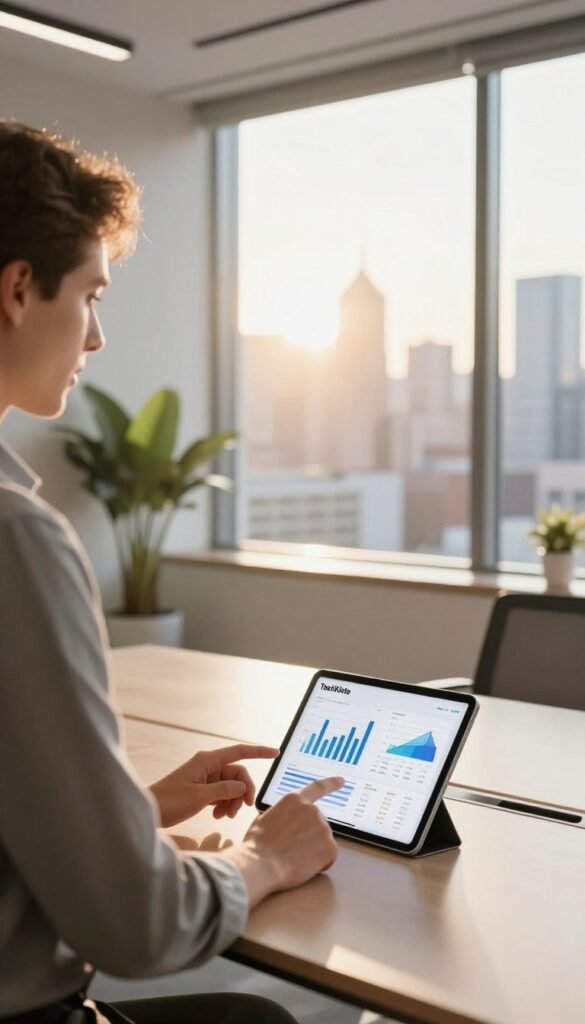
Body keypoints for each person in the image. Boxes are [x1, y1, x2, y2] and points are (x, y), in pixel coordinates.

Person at [0, 121, 345, 1024]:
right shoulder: (14, 539)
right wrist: (265, 855)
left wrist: (130, 814)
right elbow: (140, 930)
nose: (98, 338)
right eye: (91, 295)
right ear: (19, 290)